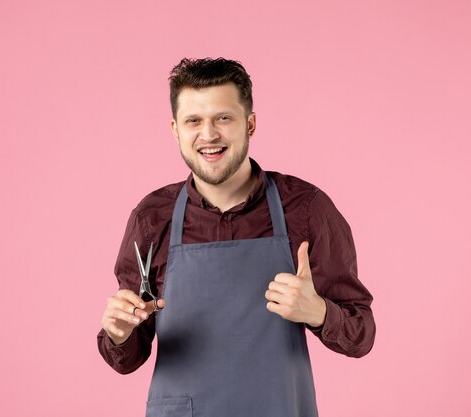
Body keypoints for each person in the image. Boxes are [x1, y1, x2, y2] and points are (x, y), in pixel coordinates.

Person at [97, 57, 375, 416]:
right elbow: (127, 355)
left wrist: (319, 312)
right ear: (175, 129)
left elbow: (361, 334)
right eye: (193, 121)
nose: (208, 134)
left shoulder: (306, 209)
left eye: (223, 118)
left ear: (250, 123)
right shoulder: (153, 218)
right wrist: (119, 333)